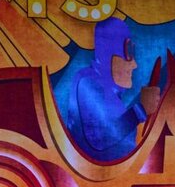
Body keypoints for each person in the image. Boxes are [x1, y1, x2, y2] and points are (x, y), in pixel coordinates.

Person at [67, 17, 160, 161]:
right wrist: (141, 110)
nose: (134, 64)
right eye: (128, 53)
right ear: (108, 54)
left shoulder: (111, 93)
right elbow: (100, 140)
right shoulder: (87, 82)